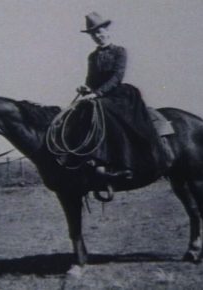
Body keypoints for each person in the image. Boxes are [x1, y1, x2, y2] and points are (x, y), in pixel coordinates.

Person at [74, 12, 166, 186]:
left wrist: (97, 94)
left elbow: (117, 77)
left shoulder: (119, 51)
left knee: (104, 109)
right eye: (94, 34)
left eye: (100, 32)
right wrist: (86, 88)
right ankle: (87, 159)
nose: (98, 37)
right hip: (99, 94)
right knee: (80, 112)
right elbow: (90, 80)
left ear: (107, 31)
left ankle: (123, 163)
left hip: (120, 95)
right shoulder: (92, 57)